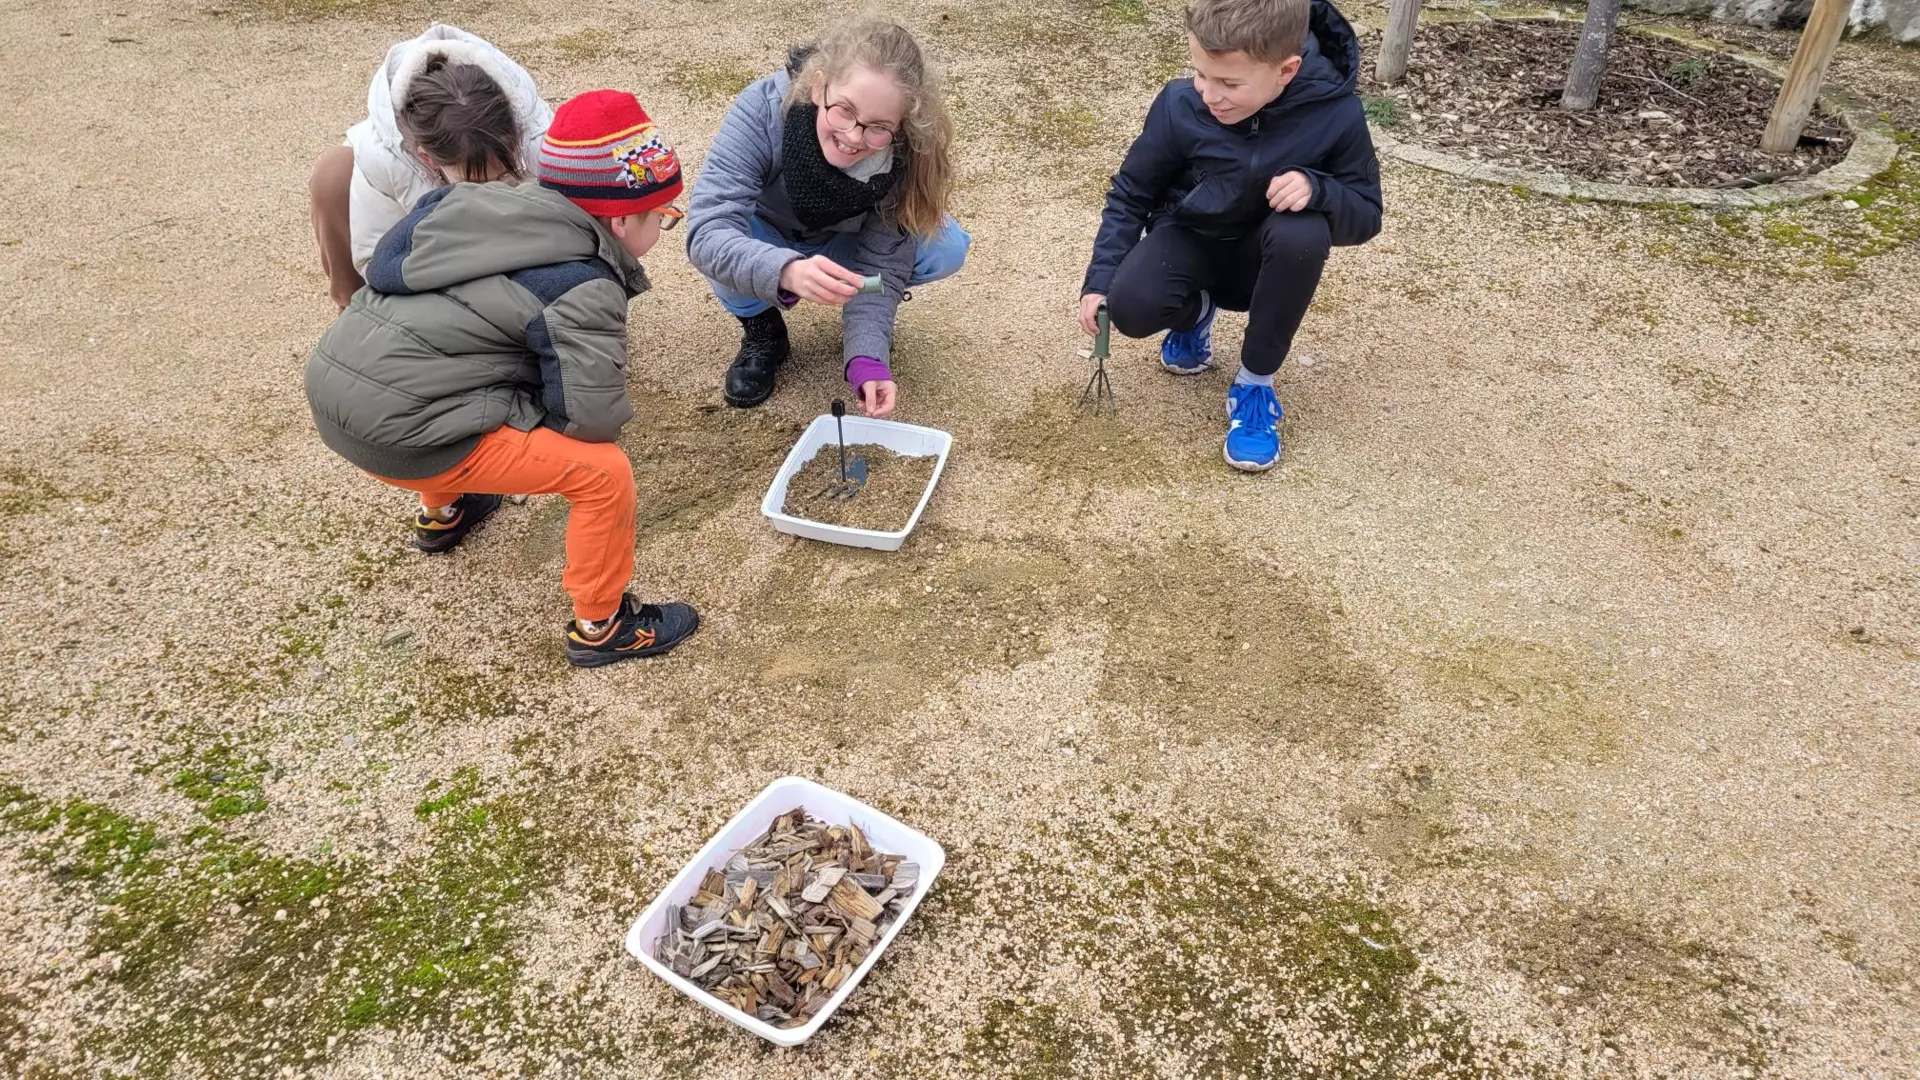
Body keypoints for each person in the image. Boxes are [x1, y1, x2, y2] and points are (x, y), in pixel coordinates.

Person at [304, 89, 699, 668]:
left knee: (452, 377)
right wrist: (540, 406)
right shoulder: (584, 283)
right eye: (663, 216)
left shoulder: (462, 204)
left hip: (335, 395)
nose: (664, 229)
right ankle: (603, 624)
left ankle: (444, 514)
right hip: (406, 440)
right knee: (604, 474)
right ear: (621, 219)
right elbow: (590, 418)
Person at [1079, 0, 1382, 472]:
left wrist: (1319, 189)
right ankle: (1197, 313)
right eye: (1201, 74)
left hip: (1264, 262)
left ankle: (1255, 384)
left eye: (1229, 83)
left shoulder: (1336, 113)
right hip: (1191, 239)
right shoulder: (1180, 104)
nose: (1209, 94)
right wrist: (1100, 280)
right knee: (1131, 307)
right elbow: (1130, 193)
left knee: (1302, 230)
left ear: (1286, 70)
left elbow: (1367, 213)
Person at [687, 17, 970, 416]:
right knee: (727, 240)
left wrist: (867, 358)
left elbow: (884, 264)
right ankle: (762, 329)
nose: (854, 136)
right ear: (819, 87)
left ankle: (868, 323)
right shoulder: (763, 109)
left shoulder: (902, 154)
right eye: (845, 110)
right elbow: (707, 231)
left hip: (840, 247)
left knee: (943, 247)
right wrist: (785, 270)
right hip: (765, 236)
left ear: (901, 127)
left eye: (878, 127)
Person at [307, 23, 552, 310]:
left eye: (501, 176)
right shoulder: (381, 153)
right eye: (475, 184)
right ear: (428, 159)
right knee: (333, 175)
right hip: (428, 262)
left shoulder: (537, 136)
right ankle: (354, 314)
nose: (489, 192)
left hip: (510, 258)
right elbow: (373, 259)